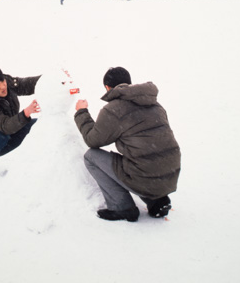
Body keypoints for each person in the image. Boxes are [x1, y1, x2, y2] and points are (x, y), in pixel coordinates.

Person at [74, 66, 181, 222]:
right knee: (142, 159)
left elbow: (92, 140)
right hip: (169, 174)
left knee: (91, 157)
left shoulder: (114, 109)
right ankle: (157, 200)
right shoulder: (155, 105)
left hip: (145, 176)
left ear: (107, 87)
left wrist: (81, 112)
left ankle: (122, 208)